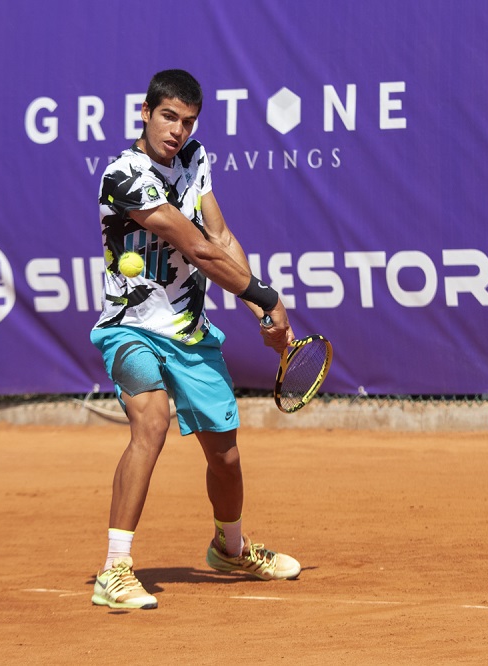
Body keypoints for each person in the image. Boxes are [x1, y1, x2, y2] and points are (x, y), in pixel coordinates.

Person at [89, 69, 301, 611]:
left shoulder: (194, 158)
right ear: (145, 113)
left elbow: (221, 236)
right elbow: (199, 248)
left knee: (225, 456)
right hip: (131, 328)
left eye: (187, 121)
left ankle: (230, 549)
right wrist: (268, 296)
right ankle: (114, 570)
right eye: (168, 117)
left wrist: (260, 312)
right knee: (151, 424)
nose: (177, 131)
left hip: (189, 333)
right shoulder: (123, 174)